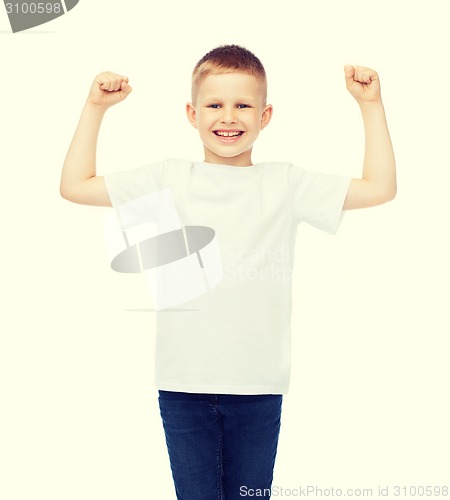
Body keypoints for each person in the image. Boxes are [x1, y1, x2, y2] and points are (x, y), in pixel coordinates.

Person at [60, 45, 396, 499]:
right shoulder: (170, 178)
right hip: (183, 384)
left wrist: (370, 105)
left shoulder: (286, 183)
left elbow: (380, 188)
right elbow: (74, 187)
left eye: (243, 105)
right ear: (192, 113)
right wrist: (95, 107)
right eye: (215, 105)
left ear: (265, 115)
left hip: (258, 385)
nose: (229, 117)